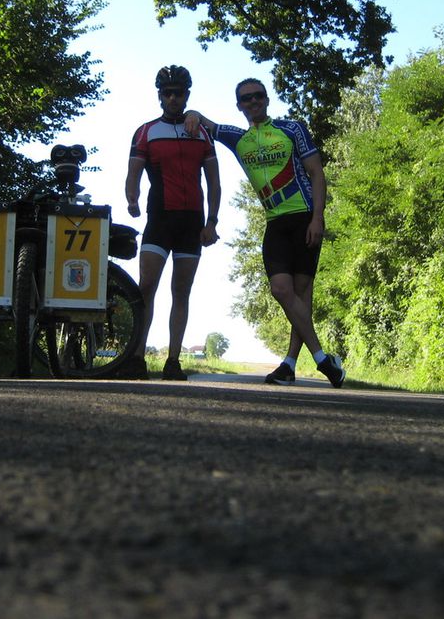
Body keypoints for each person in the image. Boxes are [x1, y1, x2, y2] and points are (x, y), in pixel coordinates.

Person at [183, 78, 345, 388]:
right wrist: (191, 112)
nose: (253, 102)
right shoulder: (239, 138)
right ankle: (324, 359)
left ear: (267, 99)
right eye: (246, 99)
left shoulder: (291, 129)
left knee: (300, 295)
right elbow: (208, 123)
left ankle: (289, 364)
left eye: (258, 96)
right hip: (275, 222)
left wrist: (318, 218)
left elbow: (316, 173)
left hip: (304, 218)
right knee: (282, 290)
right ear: (239, 105)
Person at [122, 65, 221, 380]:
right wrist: (132, 199)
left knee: (182, 291)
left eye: (179, 92)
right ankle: (136, 357)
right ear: (160, 96)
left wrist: (212, 222)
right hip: (159, 220)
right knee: (146, 288)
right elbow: (133, 173)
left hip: (192, 222)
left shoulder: (200, 131)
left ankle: (173, 361)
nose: (173, 97)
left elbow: (214, 183)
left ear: (187, 95)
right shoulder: (146, 131)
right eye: (168, 92)